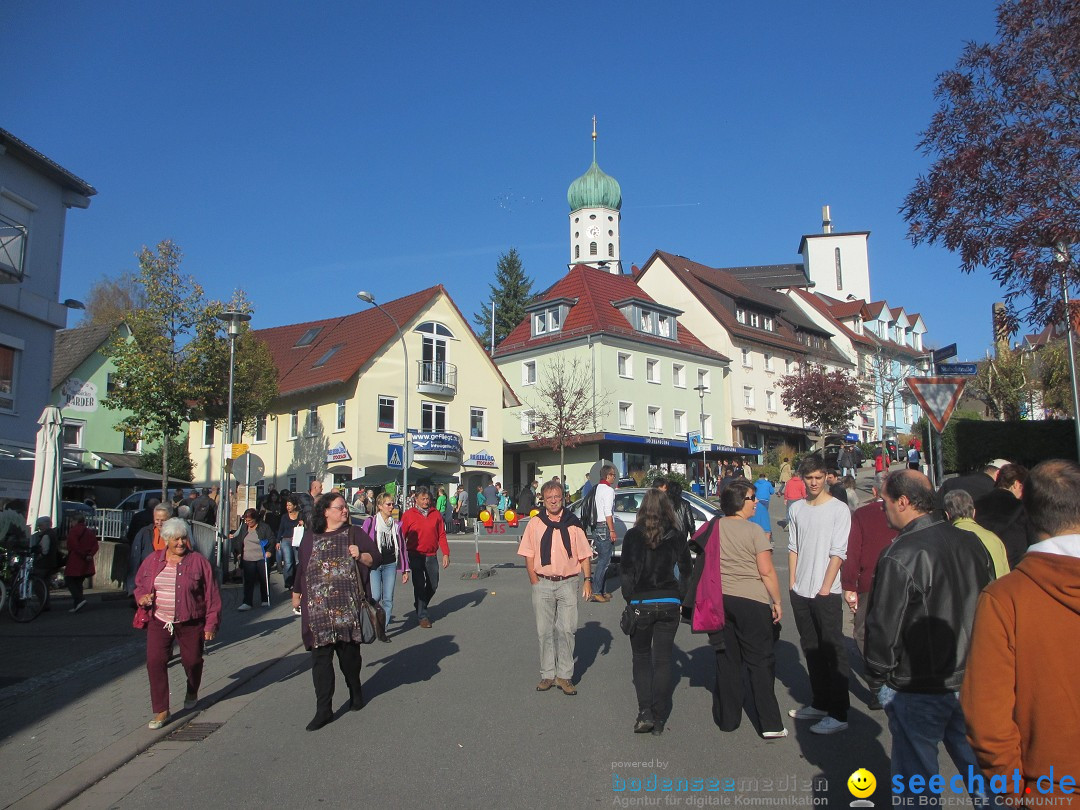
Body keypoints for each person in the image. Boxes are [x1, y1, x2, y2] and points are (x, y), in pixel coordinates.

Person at [864, 470, 992, 804]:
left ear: (904, 502)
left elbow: (882, 629)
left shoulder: (900, 554)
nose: (882, 508)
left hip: (919, 683)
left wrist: (880, 679)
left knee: (916, 782)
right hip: (971, 677)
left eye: (886, 501)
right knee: (982, 773)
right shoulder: (971, 541)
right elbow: (991, 603)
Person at [961, 459, 1080, 800]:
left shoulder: (1006, 597)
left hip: (1049, 790)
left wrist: (1015, 791)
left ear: (1027, 511)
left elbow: (986, 718)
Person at [291, 492, 380, 731]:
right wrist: (297, 591)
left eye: (345, 508)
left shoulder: (355, 534)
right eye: (340, 507)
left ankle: (355, 689)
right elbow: (303, 568)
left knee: (349, 658)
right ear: (325, 511)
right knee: (320, 661)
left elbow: (377, 559)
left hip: (347, 610)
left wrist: (360, 555)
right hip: (318, 611)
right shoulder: (310, 538)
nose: (345, 511)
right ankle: (324, 710)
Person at [710, 480, 785, 738]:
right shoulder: (753, 531)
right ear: (741, 502)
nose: (756, 503)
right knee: (760, 661)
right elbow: (766, 570)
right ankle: (770, 723)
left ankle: (728, 719)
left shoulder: (714, 527)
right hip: (751, 600)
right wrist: (777, 601)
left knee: (727, 661)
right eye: (752, 498)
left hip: (721, 599)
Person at [134, 517, 221, 730]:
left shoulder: (198, 561)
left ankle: (192, 689)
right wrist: (142, 597)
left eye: (183, 538)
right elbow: (139, 585)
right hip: (159, 620)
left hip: (190, 621)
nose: (180, 543)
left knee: (192, 661)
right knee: (155, 661)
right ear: (166, 540)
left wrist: (211, 624)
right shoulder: (153, 561)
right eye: (175, 539)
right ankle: (162, 710)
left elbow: (212, 595)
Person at [786, 455, 851, 735]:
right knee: (811, 648)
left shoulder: (838, 509)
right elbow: (793, 546)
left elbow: (838, 552)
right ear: (802, 478)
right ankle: (820, 703)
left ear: (826, 477)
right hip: (800, 590)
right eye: (808, 478)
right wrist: (792, 582)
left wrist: (825, 588)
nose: (813, 483)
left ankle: (839, 713)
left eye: (818, 477)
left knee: (832, 650)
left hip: (826, 592)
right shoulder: (797, 508)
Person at [619, 489, 692, 735]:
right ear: (667, 509)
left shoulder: (632, 536)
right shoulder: (677, 536)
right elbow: (686, 572)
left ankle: (645, 712)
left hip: (642, 602)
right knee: (662, 660)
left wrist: (630, 597)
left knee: (641, 658)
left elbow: (627, 573)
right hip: (669, 601)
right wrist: (680, 598)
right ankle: (660, 717)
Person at [518, 480, 593, 697]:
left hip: (568, 582)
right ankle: (548, 675)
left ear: (563, 498)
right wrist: (534, 579)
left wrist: (587, 579)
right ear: (543, 499)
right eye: (549, 497)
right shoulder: (535, 523)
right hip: (542, 583)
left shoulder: (573, 523)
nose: (553, 500)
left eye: (557, 497)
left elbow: (584, 554)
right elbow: (528, 554)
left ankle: (565, 676)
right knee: (544, 631)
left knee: (567, 630)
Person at [840, 473, 897, 710]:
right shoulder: (910, 515)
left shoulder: (863, 514)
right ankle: (893, 676)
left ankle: (876, 682)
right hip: (899, 582)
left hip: (869, 583)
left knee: (864, 632)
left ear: (874, 492)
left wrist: (849, 585)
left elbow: (852, 552)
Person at [400, 486, 450, 628]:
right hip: (414, 554)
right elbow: (401, 536)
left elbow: (441, 534)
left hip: (431, 555)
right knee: (419, 584)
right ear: (416, 499)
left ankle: (420, 604)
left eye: (428, 499)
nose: (426, 502)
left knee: (433, 585)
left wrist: (446, 553)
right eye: (423, 499)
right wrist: (401, 557)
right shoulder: (409, 514)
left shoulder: (436, 514)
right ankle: (423, 616)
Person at [360, 492, 407, 640]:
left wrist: (405, 569)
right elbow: (362, 543)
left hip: (390, 564)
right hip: (374, 565)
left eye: (392, 504)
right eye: (388, 504)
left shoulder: (396, 525)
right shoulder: (371, 522)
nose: (391, 507)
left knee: (388, 599)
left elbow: (402, 547)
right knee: (375, 597)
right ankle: (372, 623)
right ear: (379, 506)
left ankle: (382, 630)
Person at [974, 462, 1034, 569]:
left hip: (983, 565)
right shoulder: (1021, 508)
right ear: (1016, 484)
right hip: (1014, 567)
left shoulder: (976, 504)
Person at [943, 489, 1010, 579]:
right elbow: (1005, 577)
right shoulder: (994, 538)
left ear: (947, 515)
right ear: (974, 513)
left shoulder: (946, 541)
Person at [232, 508, 274, 610]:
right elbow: (238, 541)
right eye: (246, 521)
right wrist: (238, 553)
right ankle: (247, 602)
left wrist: (269, 551)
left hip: (261, 557)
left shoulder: (264, 527)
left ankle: (265, 599)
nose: (248, 523)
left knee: (263, 579)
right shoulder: (244, 528)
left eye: (250, 521)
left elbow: (271, 539)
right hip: (248, 558)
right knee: (248, 581)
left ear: (255, 519)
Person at [127, 504, 172, 595]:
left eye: (163, 520)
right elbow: (135, 559)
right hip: (147, 580)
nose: (159, 523)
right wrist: (132, 588)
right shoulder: (145, 532)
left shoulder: (175, 534)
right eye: (157, 519)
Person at [589, 465, 618, 603]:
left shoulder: (596, 488)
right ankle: (596, 591)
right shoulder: (608, 490)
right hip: (604, 526)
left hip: (596, 525)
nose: (614, 477)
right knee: (604, 561)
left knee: (603, 559)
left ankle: (603, 590)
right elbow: (608, 512)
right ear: (607, 476)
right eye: (612, 475)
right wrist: (612, 530)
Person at [64, 513, 99, 613]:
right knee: (79, 581)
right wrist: (89, 555)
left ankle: (79, 600)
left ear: (75, 521)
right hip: (86, 561)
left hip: (76, 559)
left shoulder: (73, 531)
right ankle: (77, 605)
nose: (71, 523)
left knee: (69, 579)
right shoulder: (89, 532)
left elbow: (73, 545)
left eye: (71, 521)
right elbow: (95, 545)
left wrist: (83, 554)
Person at [277, 493, 304, 591]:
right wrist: (277, 541)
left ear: (295, 505)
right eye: (287, 505)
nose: (288, 507)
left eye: (290, 505)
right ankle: (288, 583)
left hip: (297, 540)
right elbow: (280, 529)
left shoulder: (300, 515)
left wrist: (303, 523)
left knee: (298, 561)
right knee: (288, 562)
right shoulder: (284, 516)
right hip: (286, 540)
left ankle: (298, 581)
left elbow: (306, 526)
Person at [29, 516, 60, 582]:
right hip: (51, 563)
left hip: (43, 564)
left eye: (40, 525)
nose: (39, 527)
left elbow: (45, 551)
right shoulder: (53, 534)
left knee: (39, 583)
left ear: (45, 525)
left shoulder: (46, 535)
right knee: (46, 583)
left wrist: (39, 556)